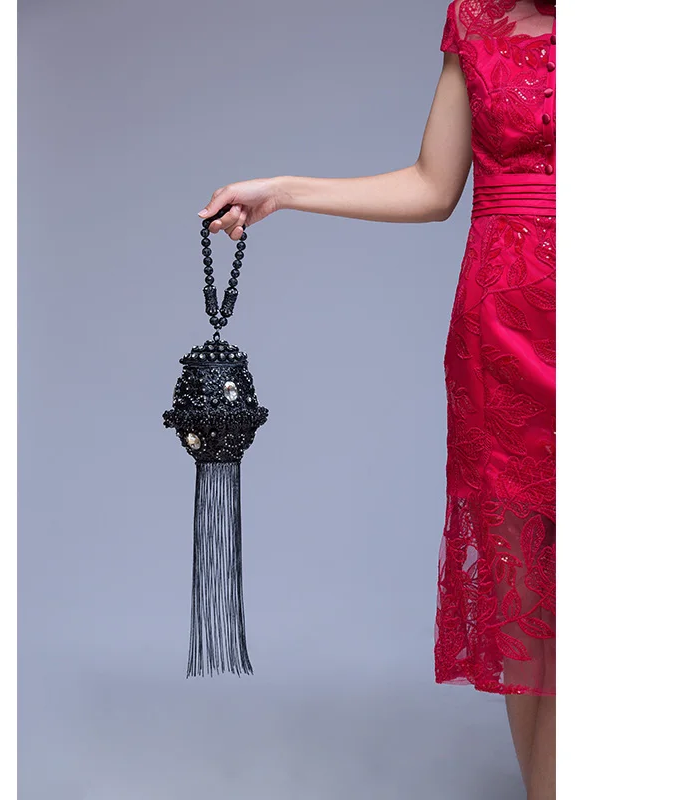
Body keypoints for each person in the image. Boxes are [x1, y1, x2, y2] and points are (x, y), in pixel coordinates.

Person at [197, 1, 556, 797]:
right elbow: (432, 185)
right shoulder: (478, 18)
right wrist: (282, 190)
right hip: (501, 337)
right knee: (527, 609)